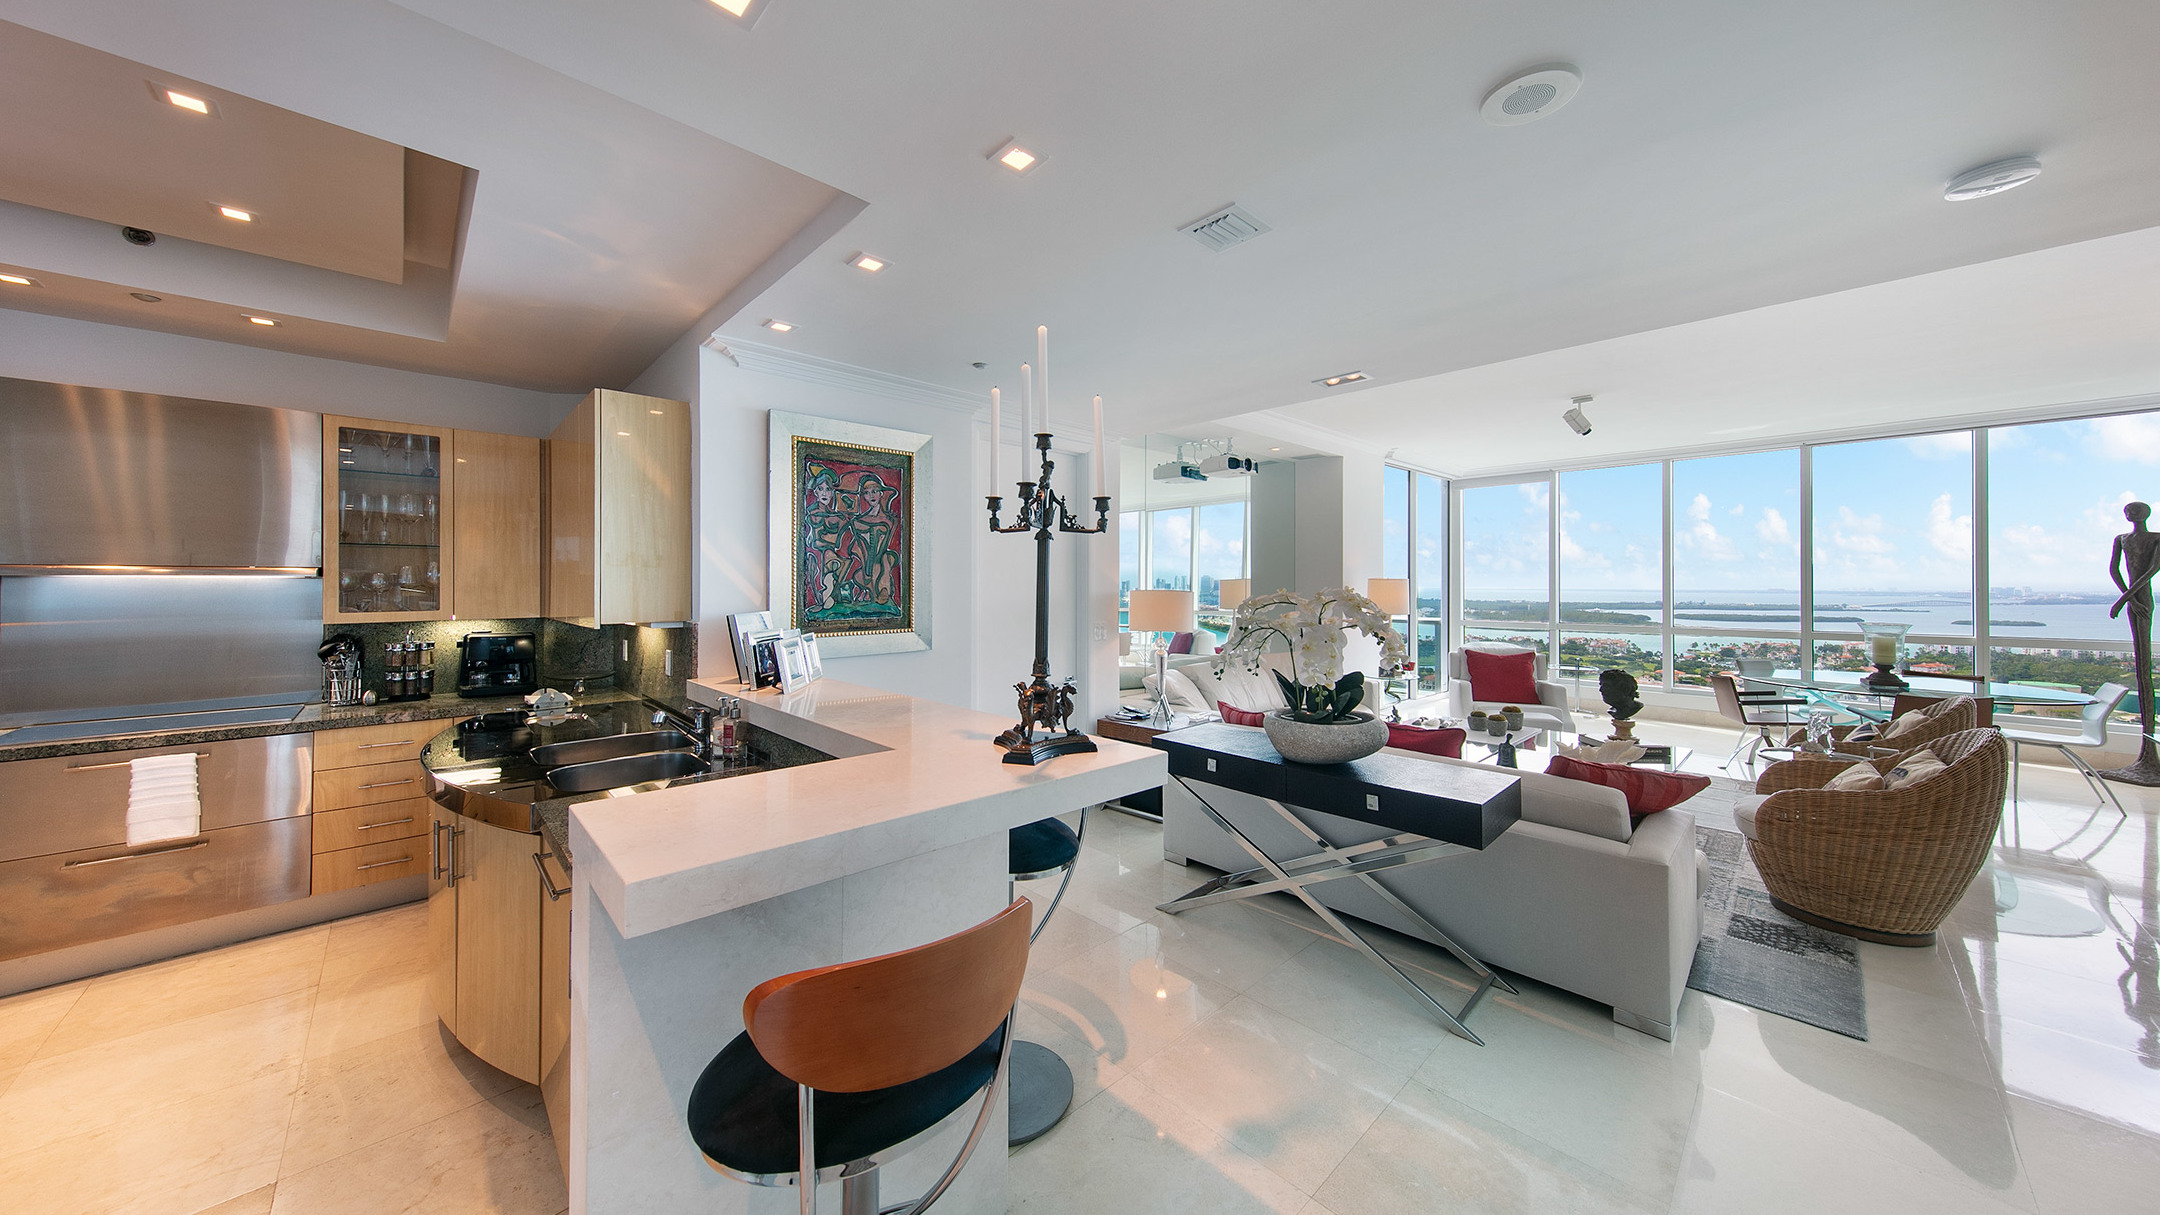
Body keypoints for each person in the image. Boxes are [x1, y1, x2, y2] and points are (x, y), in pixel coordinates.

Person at [2105, 501, 2160, 782]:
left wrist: (2125, 599)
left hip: (2143, 600)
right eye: (2128, 511)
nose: (2131, 515)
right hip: (2133, 600)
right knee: (2140, 668)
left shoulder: (2156, 538)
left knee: (2145, 669)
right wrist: (2127, 597)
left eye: (2135, 511)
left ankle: (2150, 756)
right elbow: (2114, 570)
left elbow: (2152, 570)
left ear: (2144, 514)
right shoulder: (2121, 539)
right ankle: (2145, 756)